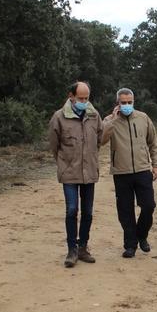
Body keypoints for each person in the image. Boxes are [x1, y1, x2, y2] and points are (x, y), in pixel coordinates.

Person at [101, 88, 157, 258]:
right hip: (121, 172)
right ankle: (130, 245)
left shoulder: (143, 118)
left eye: (130, 102)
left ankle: (141, 235)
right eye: (123, 102)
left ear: (133, 102)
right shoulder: (109, 120)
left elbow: (153, 143)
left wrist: (156, 164)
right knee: (125, 211)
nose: (127, 105)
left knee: (149, 206)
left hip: (142, 170)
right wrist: (112, 120)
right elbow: (102, 140)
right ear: (117, 103)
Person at [48, 81, 103, 268]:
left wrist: (90, 159)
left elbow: (98, 140)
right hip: (69, 171)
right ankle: (71, 250)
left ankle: (83, 248)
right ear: (71, 96)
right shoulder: (59, 117)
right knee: (72, 210)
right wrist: (65, 162)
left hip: (89, 172)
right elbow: (54, 145)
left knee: (88, 211)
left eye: (87, 98)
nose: (84, 102)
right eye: (80, 98)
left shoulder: (94, 115)